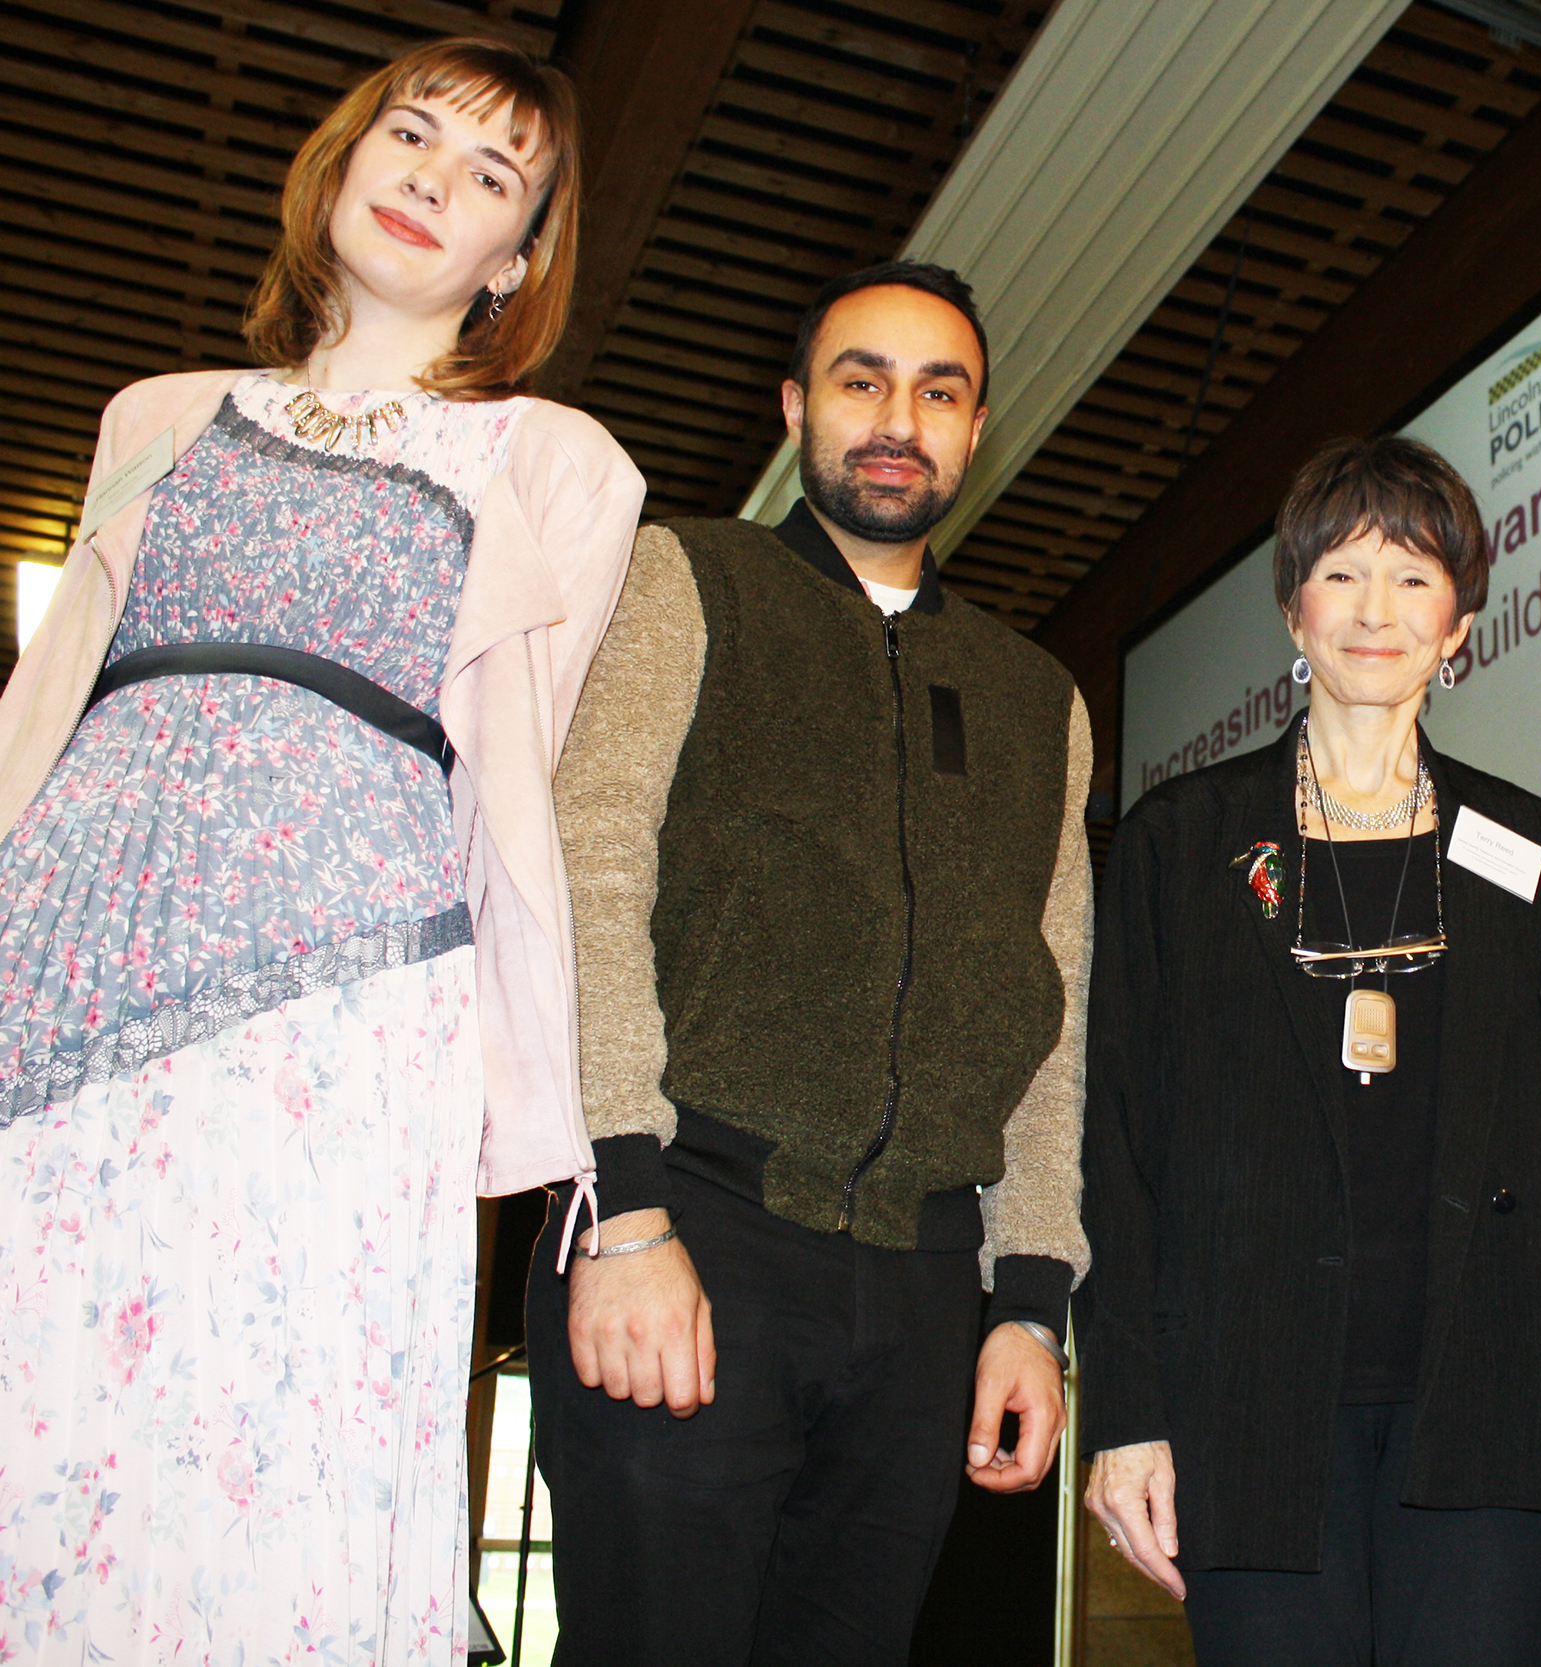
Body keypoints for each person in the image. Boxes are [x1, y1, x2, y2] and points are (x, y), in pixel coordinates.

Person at [0, 38, 638, 1663]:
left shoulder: (555, 465)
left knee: (267, 1410)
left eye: (493, 176)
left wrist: (537, 1099)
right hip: (66, 949)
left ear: (519, 263)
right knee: (46, 1386)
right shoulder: (154, 415)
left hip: (340, 1001)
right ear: (340, 163)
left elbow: (511, 775)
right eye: (409, 135)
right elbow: (47, 698)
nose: (434, 177)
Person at [527, 258, 1090, 1666]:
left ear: (976, 430)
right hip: (690, 1224)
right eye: (863, 379)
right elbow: (591, 874)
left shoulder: (1041, 698)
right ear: (797, 409)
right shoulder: (681, 577)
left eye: (939, 389)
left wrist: (1030, 1300)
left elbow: (1055, 1013)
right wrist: (623, 1207)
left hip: (919, 1291)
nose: (900, 416)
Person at [1079, 434, 1541, 1667]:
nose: (1374, 610)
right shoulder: (1181, 842)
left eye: (1414, 576)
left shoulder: (1532, 844)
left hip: (1495, 1392)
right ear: (1293, 606)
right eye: (1341, 573)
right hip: (1247, 1399)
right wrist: (1122, 1411)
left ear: (1462, 622)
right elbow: (1111, 1140)